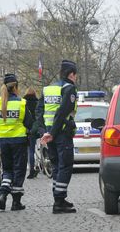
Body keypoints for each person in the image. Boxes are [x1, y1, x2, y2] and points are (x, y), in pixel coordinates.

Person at [37, 60, 78, 214]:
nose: (76, 78)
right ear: (71, 74)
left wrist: (44, 132)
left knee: (55, 166)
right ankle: (59, 201)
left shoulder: (48, 89)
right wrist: (52, 133)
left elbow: (39, 111)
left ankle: (58, 199)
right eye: (76, 75)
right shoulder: (69, 88)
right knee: (65, 166)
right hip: (60, 135)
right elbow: (61, 113)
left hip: (49, 134)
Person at [0, 73, 33, 211]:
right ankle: (16, 202)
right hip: (19, 141)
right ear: (15, 87)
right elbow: (29, 122)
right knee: (19, 170)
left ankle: (2, 194)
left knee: (7, 170)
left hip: (3, 141)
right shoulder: (21, 103)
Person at [23, 87, 39, 179]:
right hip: (38, 128)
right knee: (40, 147)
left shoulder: (23, 103)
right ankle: (42, 164)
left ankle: (32, 171)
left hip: (29, 130)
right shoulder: (37, 102)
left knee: (31, 150)